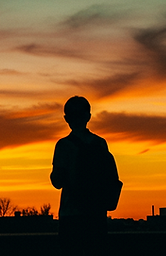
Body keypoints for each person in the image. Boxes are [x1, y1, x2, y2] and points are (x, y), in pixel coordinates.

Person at [51, 96, 119, 256]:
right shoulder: (100, 144)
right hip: (96, 213)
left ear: (66, 119)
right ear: (88, 117)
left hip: (71, 214)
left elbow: (57, 181)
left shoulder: (64, 145)